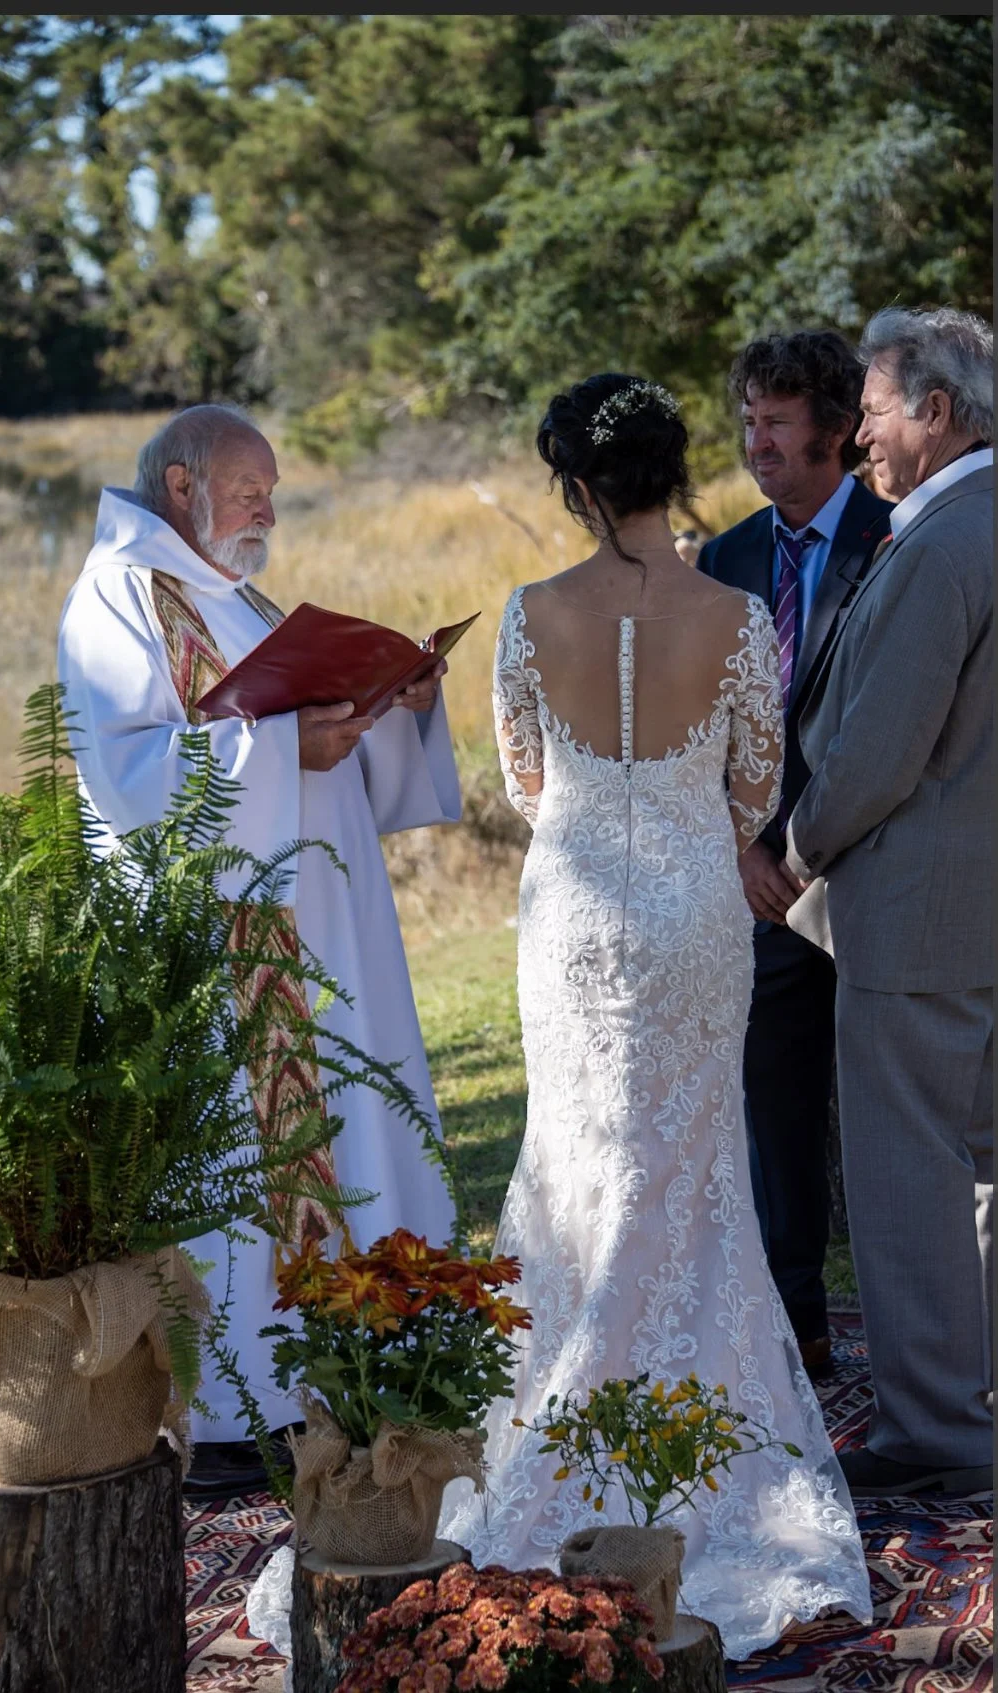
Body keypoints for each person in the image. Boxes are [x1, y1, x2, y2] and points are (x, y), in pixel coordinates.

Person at [439, 374, 871, 1660]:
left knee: (572, 1154)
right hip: (691, 918)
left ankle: (555, 1433)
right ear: (673, 476)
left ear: (575, 487)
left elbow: (525, 782)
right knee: (688, 1165)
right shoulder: (736, 615)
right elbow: (755, 781)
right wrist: (685, 827)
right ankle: (700, 1437)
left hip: (571, 921)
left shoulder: (527, 614)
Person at [57, 405, 460, 1487]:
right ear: (182, 484)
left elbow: (294, 732)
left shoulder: (230, 597)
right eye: (252, 490)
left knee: (338, 1131)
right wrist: (290, 744)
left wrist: (392, 703)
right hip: (225, 947)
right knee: (245, 1161)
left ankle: (340, 1360)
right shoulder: (120, 597)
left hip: (318, 926)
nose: (269, 511)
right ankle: (245, 1405)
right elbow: (131, 780)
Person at [786, 307, 993, 1497]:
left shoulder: (949, 539)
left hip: (917, 912)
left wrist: (796, 853)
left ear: (939, 413)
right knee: (986, 1166)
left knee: (908, 1174)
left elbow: (878, 752)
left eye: (870, 410)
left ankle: (934, 1434)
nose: (859, 433)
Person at [697, 333, 892, 1378]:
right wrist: (744, 858)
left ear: (832, 428)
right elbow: (708, 735)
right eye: (748, 419)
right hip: (758, 888)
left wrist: (818, 847)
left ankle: (927, 1329)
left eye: (776, 419)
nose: (755, 440)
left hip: (874, 875)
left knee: (888, 1118)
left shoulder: (900, 539)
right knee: (772, 1112)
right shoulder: (724, 560)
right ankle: (799, 1326)